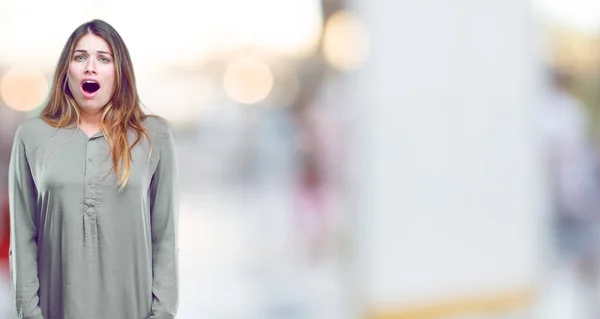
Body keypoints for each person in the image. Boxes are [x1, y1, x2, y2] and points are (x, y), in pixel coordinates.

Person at [8, 19, 179, 318]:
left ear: (119, 71)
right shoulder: (31, 136)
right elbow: (22, 239)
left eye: (103, 58)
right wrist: (28, 315)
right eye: (80, 57)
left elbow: (165, 237)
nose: (90, 67)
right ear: (67, 71)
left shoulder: (155, 135)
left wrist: (162, 314)